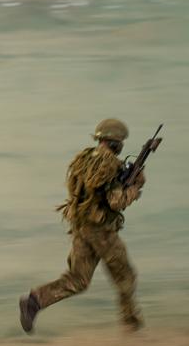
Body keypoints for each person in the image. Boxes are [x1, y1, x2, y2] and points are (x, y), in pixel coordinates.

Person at [20, 118, 145, 333]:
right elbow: (116, 202)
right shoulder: (110, 165)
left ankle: (34, 300)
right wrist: (135, 187)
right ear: (116, 142)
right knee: (126, 277)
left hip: (81, 226)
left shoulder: (85, 158)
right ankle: (131, 326)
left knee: (78, 279)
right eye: (121, 141)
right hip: (101, 232)